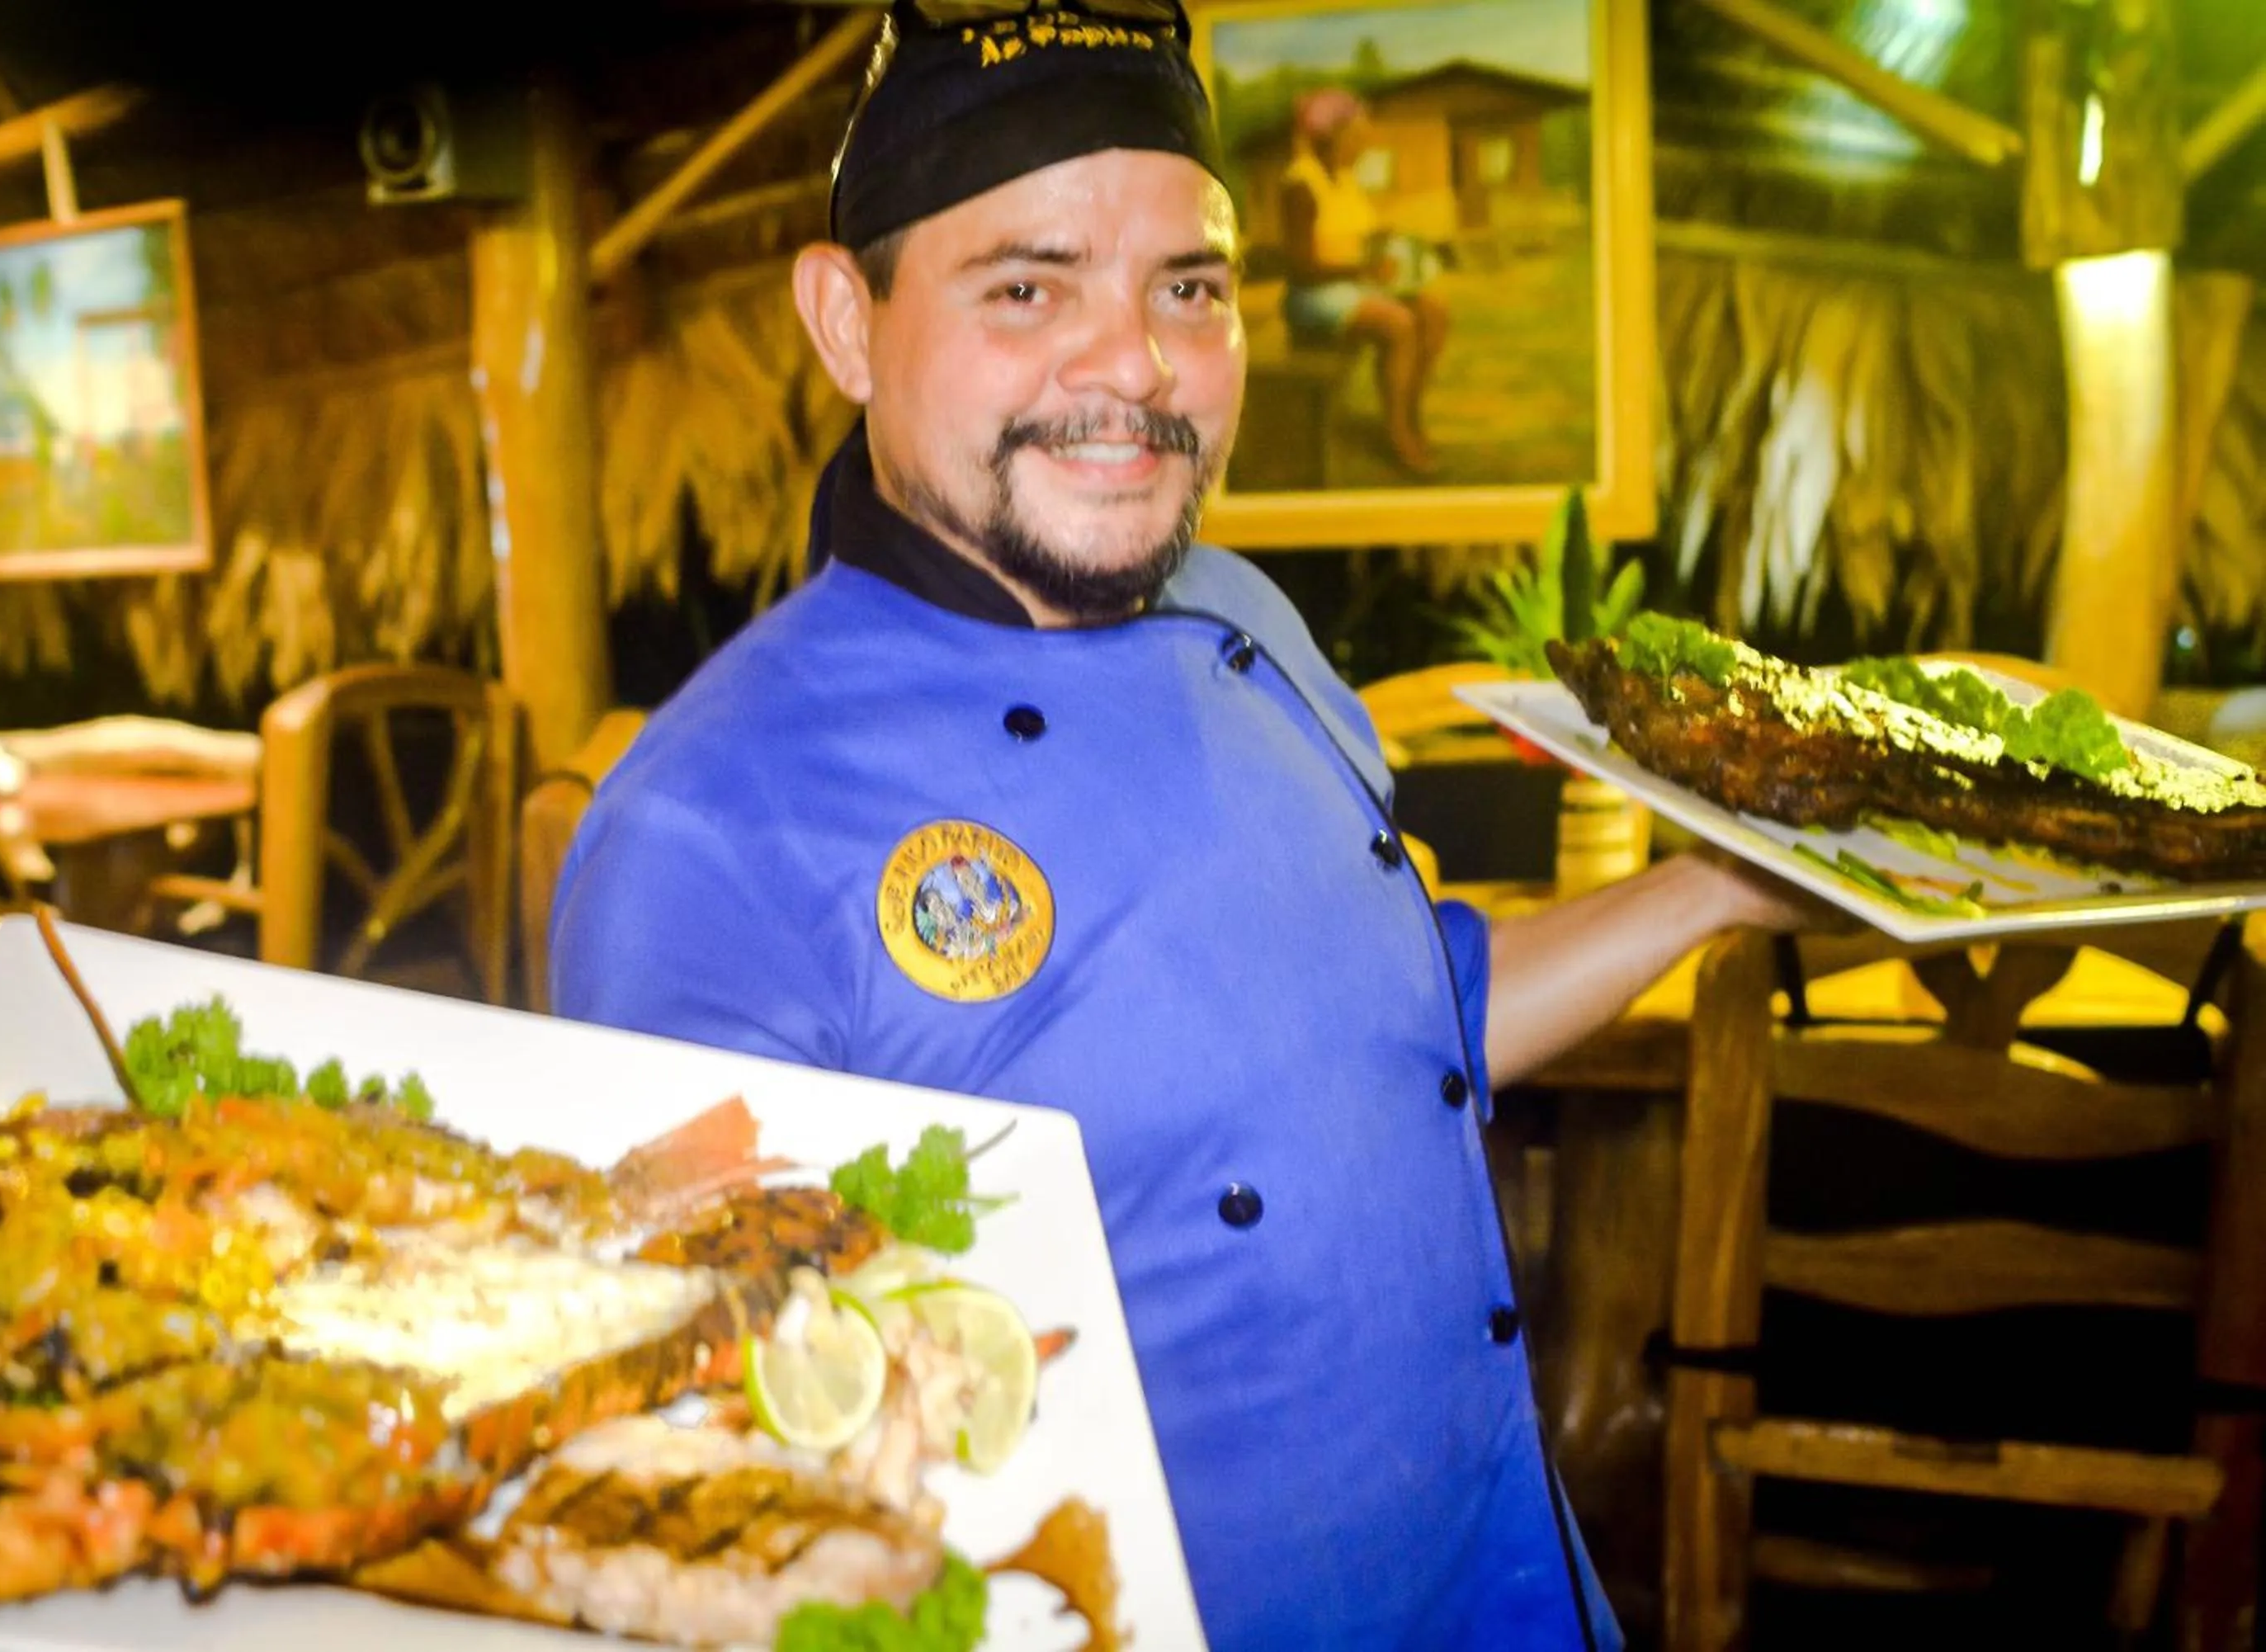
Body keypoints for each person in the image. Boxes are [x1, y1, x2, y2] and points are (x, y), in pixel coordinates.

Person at [550, 3, 1819, 1645]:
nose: (1134, 364)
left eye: (1189, 288)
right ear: (846, 323)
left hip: (1512, 1582)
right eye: (1029, 285)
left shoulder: (1253, 624)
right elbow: (697, 1483)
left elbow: (1401, 1024)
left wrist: (1720, 886)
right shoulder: (703, 827)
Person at [1277, 86, 1452, 475]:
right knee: (1400, 325)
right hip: (1312, 298)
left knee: (1434, 312)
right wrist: (1363, 270)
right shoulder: (1300, 185)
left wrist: (1390, 239)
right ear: (1330, 136)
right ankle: (1399, 434)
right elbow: (1300, 268)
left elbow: (1363, 235)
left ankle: (1408, 409)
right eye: (1355, 137)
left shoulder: (1344, 179)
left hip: (1352, 288)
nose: (1361, 146)